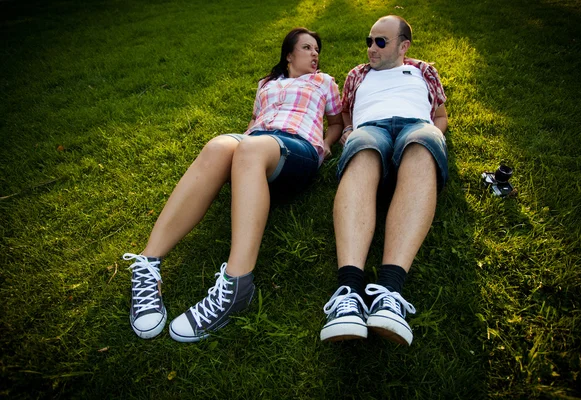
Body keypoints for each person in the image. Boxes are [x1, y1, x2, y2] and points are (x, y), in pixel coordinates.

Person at [123, 27, 343, 342]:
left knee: (252, 148)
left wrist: (325, 145)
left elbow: (337, 122)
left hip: (298, 149)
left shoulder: (324, 82)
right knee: (217, 147)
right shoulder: (266, 85)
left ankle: (238, 285)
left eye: (317, 50)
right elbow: (255, 123)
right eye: (307, 48)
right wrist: (238, 152)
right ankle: (148, 263)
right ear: (289, 54)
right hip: (258, 143)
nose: (315, 54)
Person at [319, 15, 448, 345]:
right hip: (371, 129)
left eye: (380, 42)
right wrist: (349, 131)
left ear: (403, 46)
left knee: (424, 144)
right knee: (362, 150)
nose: (371, 48)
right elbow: (347, 112)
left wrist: (433, 133)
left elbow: (440, 116)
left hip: (414, 125)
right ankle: (348, 294)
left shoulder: (424, 71)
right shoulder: (357, 75)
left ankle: (390, 293)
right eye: (368, 40)